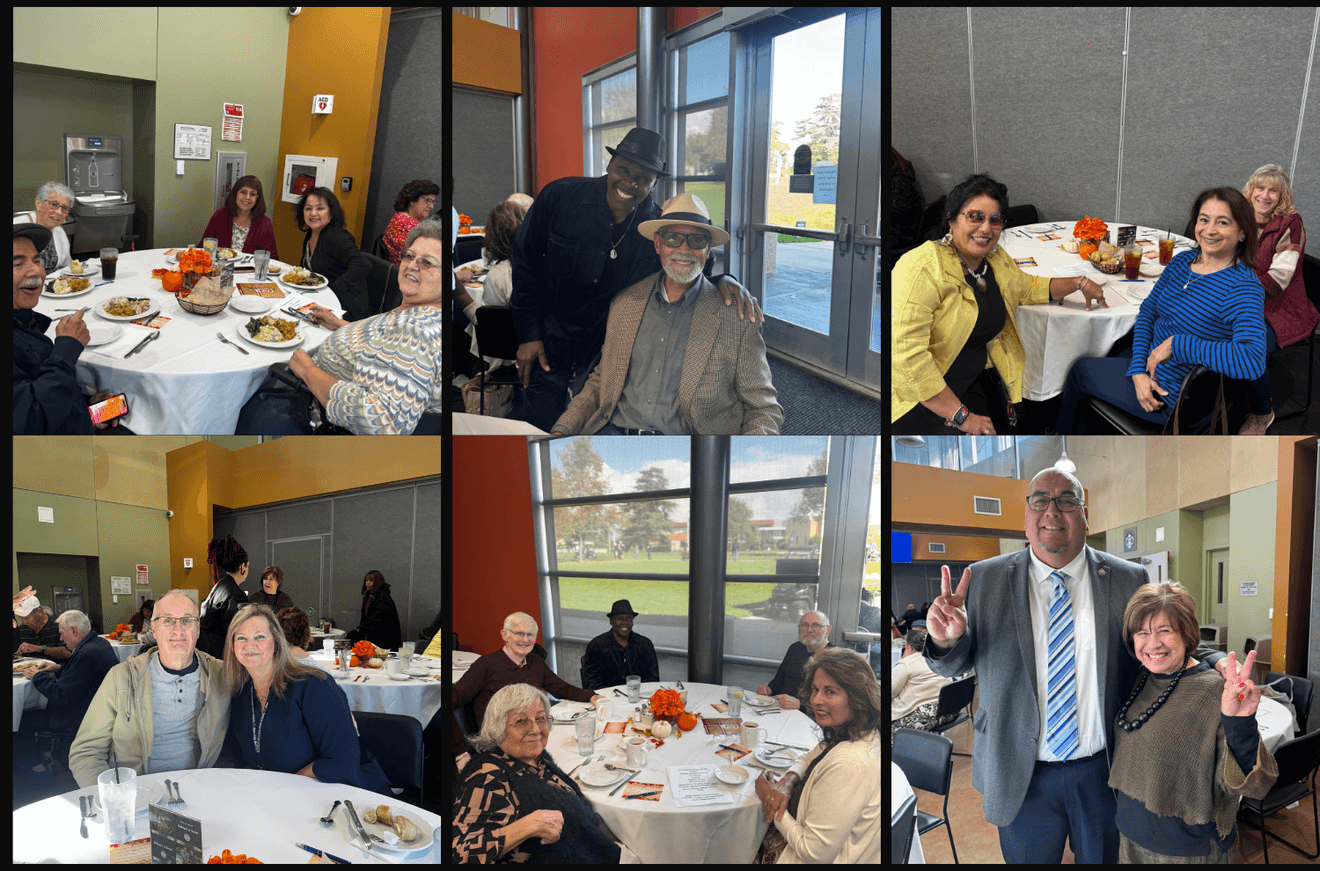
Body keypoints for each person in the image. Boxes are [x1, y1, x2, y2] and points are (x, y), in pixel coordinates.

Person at [922, 467, 1213, 863]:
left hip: (1104, 770)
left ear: (1085, 515)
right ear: (1026, 515)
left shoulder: (1128, 579)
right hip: (1019, 772)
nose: (1052, 512)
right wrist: (946, 639)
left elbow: (1162, 642)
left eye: (1067, 501)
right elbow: (953, 666)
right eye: (1039, 500)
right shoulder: (984, 579)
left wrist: (1213, 667)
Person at [509, 126, 760, 430]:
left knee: (590, 423)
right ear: (609, 165)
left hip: (604, 352)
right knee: (534, 424)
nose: (629, 183)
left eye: (643, 178)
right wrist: (528, 333)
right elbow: (525, 262)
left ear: (654, 183)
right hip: (549, 340)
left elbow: (687, 267)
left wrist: (726, 280)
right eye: (623, 170)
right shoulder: (559, 197)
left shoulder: (655, 230)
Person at [892, 174, 1108, 434]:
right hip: (920, 394)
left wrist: (1078, 282)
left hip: (973, 379)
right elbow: (907, 358)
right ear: (951, 219)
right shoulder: (921, 267)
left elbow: (1027, 288)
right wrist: (961, 416)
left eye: (995, 219)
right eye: (975, 216)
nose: (986, 228)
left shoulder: (993, 258)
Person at [550, 193, 782, 434]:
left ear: (707, 249)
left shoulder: (737, 317)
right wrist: (563, 428)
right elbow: (601, 382)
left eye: (696, 240)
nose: (684, 249)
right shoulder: (625, 303)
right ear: (658, 243)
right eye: (673, 238)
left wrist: (744, 458)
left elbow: (763, 409)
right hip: (617, 435)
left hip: (691, 450)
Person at [1055, 188, 1267, 432]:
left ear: (1242, 233)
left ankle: (1060, 445)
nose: (1209, 230)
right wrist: (1137, 370)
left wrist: (1176, 345)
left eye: (1223, 223)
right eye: (1204, 219)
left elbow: (1252, 361)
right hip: (1150, 367)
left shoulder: (1243, 287)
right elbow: (1148, 312)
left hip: (1171, 395)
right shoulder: (1182, 262)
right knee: (1109, 348)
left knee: (1079, 370)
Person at [1109, 583, 1278, 862]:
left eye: (1164, 630)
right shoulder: (1141, 676)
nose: (1152, 644)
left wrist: (1241, 724)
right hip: (1129, 835)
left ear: (1186, 634)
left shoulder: (1214, 690)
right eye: (1142, 632)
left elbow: (1255, 786)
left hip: (1186, 849)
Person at [237, 221, 443, 434]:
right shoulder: (417, 313)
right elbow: (383, 347)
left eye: (427, 262)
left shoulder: (415, 331)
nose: (412, 265)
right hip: (315, 392)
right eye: (409, 256)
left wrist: (309, 371)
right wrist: (342, 326)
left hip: (310, 412)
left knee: (241, 394)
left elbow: (381, 421)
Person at [68, 590, 232, 787]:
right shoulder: (122, 678)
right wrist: (116, 797)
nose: (178, 629)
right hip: (136, 792)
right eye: (168, 621)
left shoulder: (221, 676)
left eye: (187, 620)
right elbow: (86, 752)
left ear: (197, 629)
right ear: (153, 629)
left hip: (197, 789)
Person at [223, 603, 390, 792]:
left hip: (339, 795)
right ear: (232, 646)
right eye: (241, 638)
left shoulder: (313, 685)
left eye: (259, 636)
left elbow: (344, 759)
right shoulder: (240, 695)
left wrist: (291, 786)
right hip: (272, 800)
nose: (250, 645)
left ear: (277, 641)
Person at [452, 683, 623, 862]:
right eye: (520, 721)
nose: (535, 730)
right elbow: (458, 853)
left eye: (540, 718)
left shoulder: (536, 757)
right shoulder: (487, 776)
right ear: (497, 730)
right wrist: (528, 826)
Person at [753, 647, 882, 862]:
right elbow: (811, 756)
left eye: (830, 691)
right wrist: (788, 779)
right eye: (814, 689)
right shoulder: (856, 731)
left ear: (857, 696)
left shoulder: (850, 763)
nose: (816, 700)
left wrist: (769, 798)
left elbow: (814, 854)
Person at [14, 223, 130, 434]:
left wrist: (84, 404)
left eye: (37, 260)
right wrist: (66, 349)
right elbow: (30, 423)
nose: (36, 270)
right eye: (17, 264)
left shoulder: (25, 321)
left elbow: (36, 390)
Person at [1238, 164, 1315, 433]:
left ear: (1283, 197)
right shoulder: (1242, 216)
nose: (1265, 195)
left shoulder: (1290, 224)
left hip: (1280, 308)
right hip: (1245, 299)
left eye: (1273, 191)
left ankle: (1262, 412)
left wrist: (1232, 289)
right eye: (1260, 188)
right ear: (1251, 190)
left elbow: (1278, 279)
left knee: (1251, 344)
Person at [453, 612, 602, 729]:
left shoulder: (535, 662)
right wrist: (460, 752)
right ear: (504, 634)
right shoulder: (485, 665)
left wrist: (590, 696)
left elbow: (560, 688)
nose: (525, 640)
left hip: (531, 729)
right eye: (519, 633)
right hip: (498, 740)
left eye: (530, 634)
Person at [21, 610, 120, 748]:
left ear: (74, 630)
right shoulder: (99, 643)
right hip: (96, 709)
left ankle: (36, 767)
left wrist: (38, 676)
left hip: (78, 717)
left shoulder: (86, 653)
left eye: (62, 633)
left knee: (21, 719)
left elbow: (60, 695)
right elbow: (82, 676)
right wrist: (58, 668)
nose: (61, 639)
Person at [295, 186, 373, 321]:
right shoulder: (311, 234)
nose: (313, 213)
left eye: (320, 208)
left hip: (346, 307)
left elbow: (363, 264)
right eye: (308, 208)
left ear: (331, 213)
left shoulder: (336, 236)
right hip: (323, 299)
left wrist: (334, 288)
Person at [757, 610, 833, 711]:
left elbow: (831, 705)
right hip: (780, 709)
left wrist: (800, 706)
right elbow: (778, 682)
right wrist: (768, 690)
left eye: (816, 625)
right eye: (804, 625)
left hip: (810, 718)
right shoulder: (795, 648)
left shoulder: (834, 658)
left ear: (827, 630)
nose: (809, 630)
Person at [581, 599, 659, 691]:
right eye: (620, 618)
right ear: (611, 622)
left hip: (638, 697)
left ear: (632, 622)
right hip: (606, 698)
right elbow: (592, 682)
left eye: (628, 619)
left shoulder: (645, 644)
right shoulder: (596, 645)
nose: (625, 622)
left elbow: (653, 678)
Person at [198, 175, 279, 259]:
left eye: (252, 194)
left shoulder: (264, 223)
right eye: (243, 192)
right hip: (220, 269)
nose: (247, 197)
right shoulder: (220, 215)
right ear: (235, 193)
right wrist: (214, 251)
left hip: (250, 271)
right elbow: (202, 247)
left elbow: (273, 258)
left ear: (257, 199)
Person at [198, 536, 251, 659]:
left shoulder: (218, 587)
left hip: (208, 654)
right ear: (242, 567)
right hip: (223, 657)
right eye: (247, 566)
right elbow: (239, 634)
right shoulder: (236, 595)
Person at [13, 181, 74, 272]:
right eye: (54, 204)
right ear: (38, 203)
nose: (59, 212)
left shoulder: (59, 232)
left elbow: (67, 268)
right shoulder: (17, 227)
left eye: (64, 208)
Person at [382, 179, 438, 264]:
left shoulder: (411, 219)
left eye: (433, 202)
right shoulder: (403, 223)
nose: (431, 206)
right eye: (427, 200)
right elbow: (421, 257)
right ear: (412, 200)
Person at [345, 570, 402, 650]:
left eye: (371, 580)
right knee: (351, 636)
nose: (367, 583)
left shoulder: (383, 597)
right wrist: (361, 628)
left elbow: (377, 617)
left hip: (383, 635)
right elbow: (364, 616)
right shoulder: (367, 596)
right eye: (366, 580)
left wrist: (362, 627)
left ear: (377, 582)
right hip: (371, 631)